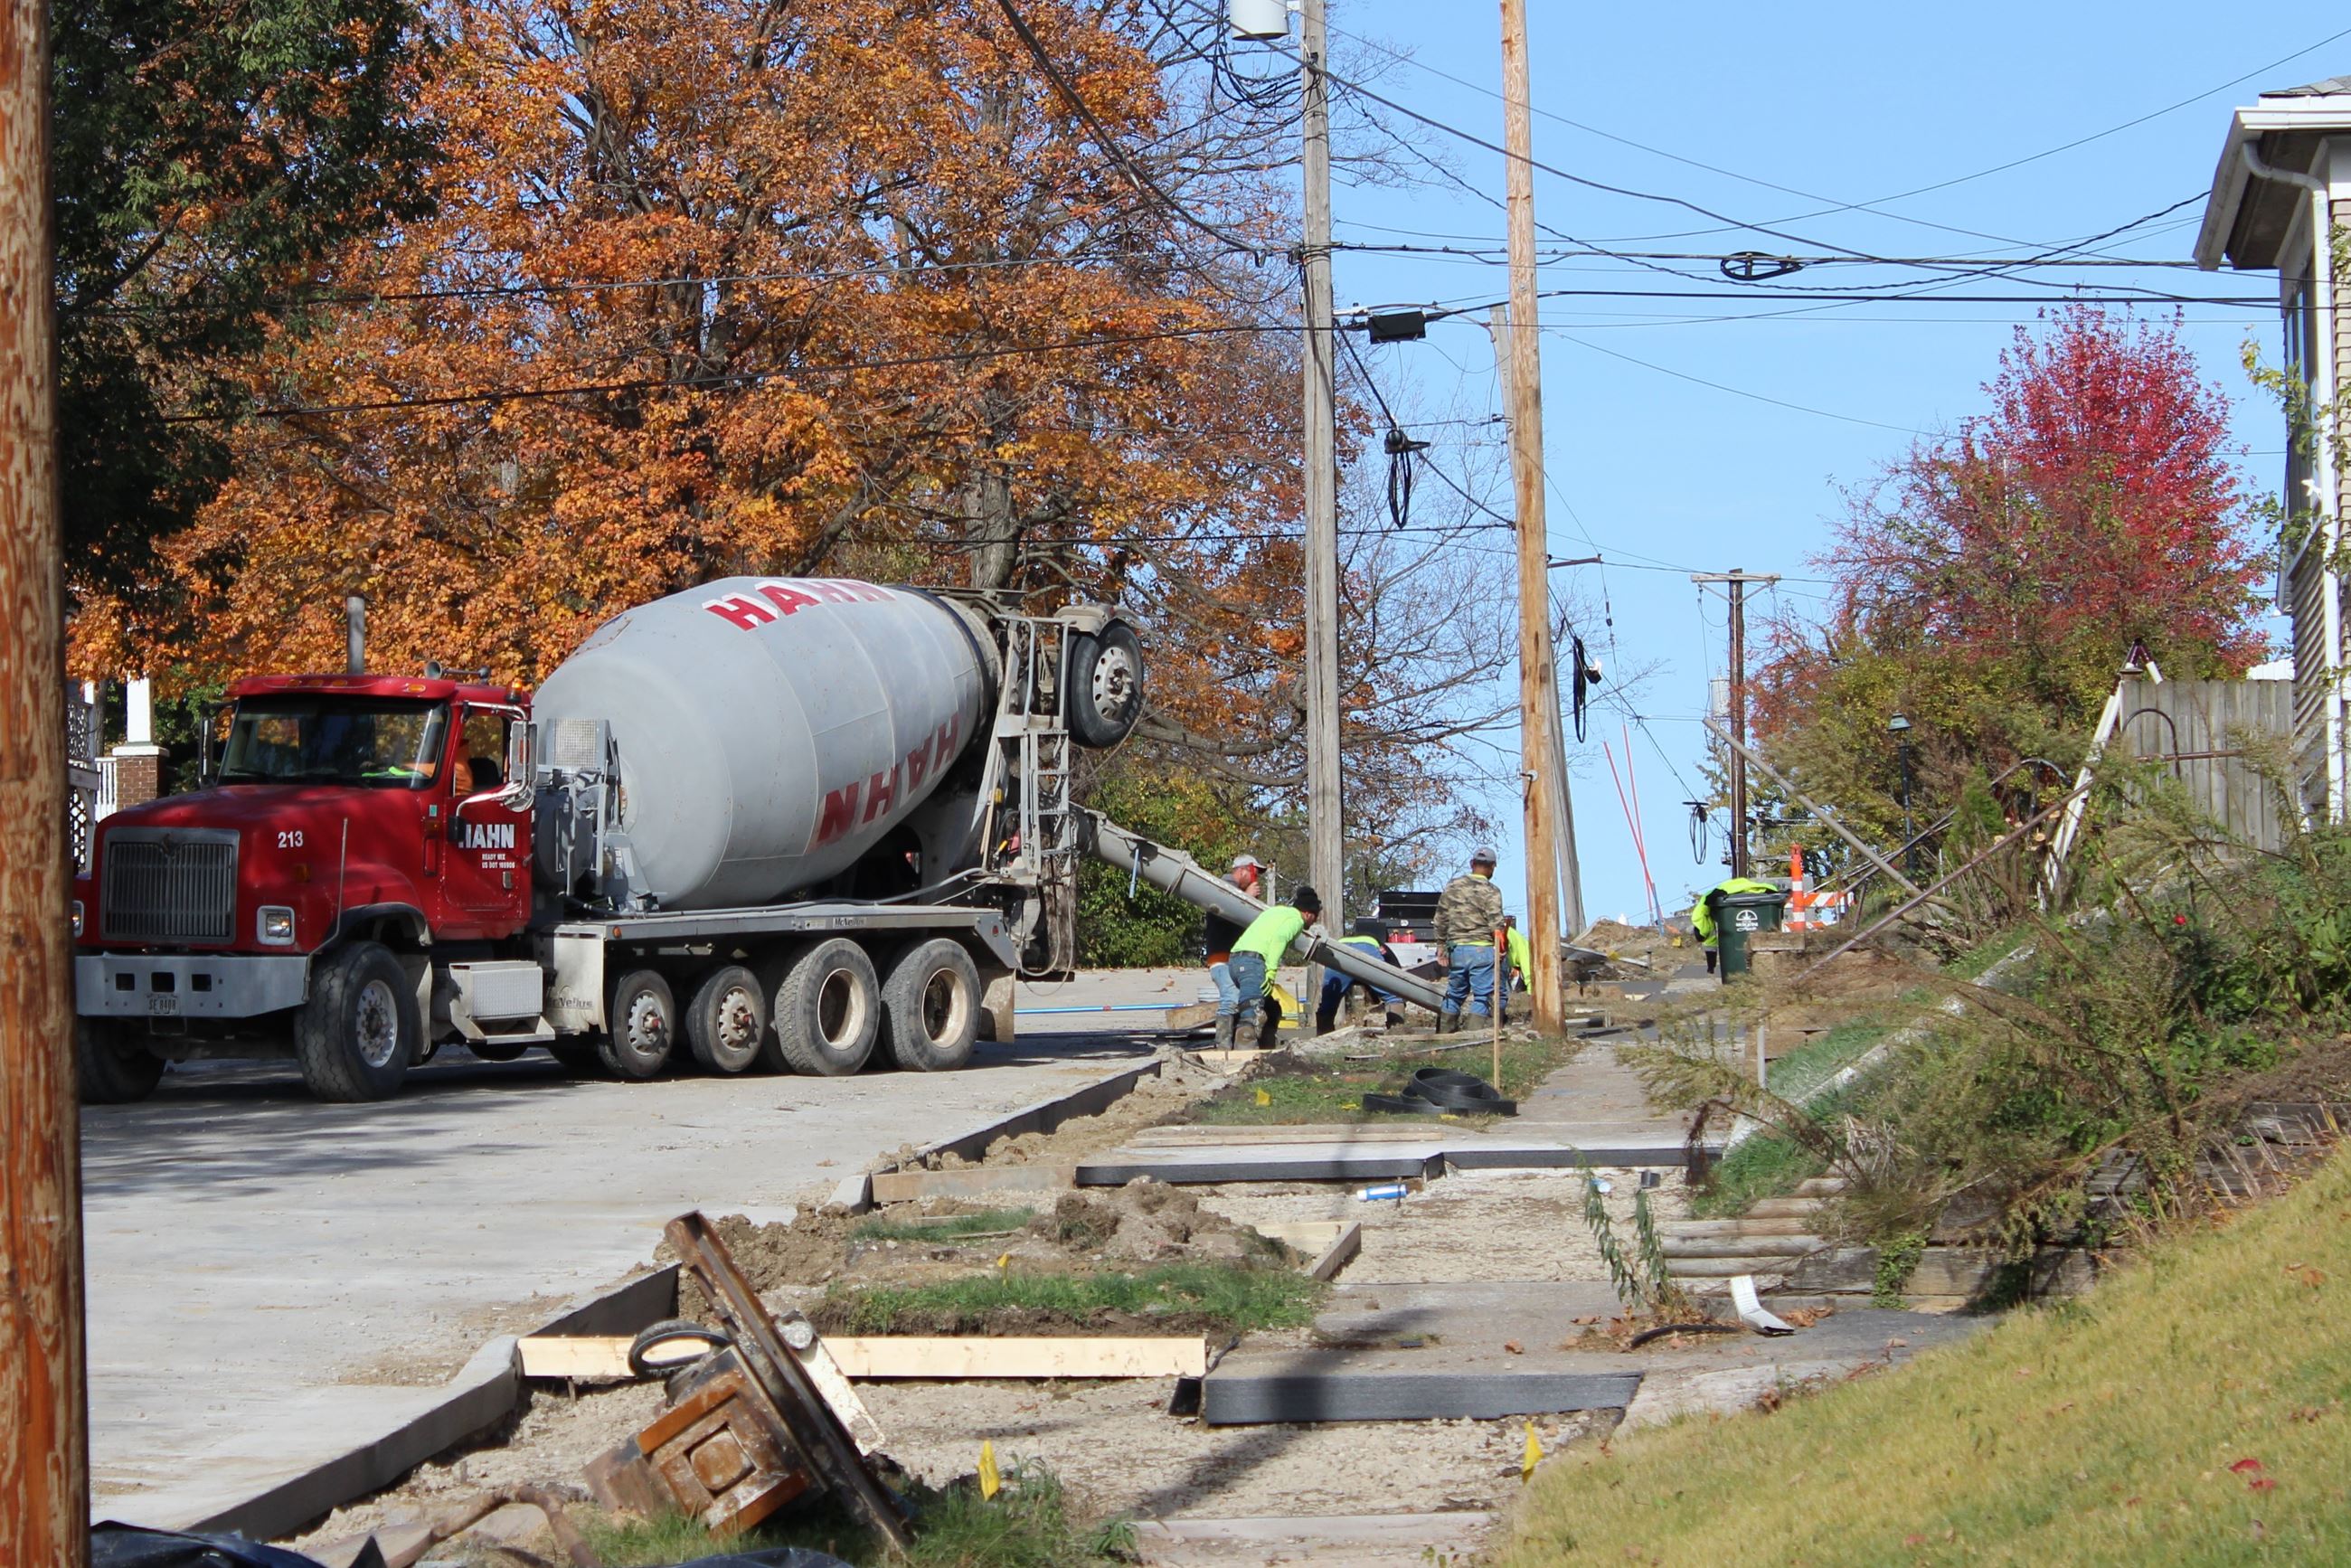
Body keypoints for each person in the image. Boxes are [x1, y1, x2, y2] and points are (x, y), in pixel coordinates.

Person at [1228, 885, 1322, 1050]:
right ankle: (1244, 1061)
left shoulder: (1277, 912)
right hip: (1252, 962)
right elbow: (1280, 938)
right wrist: (1271, 971)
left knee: (1271, 1009)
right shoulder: (1296, 920)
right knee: (1251, 1015)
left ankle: (1266, 1052)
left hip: (1236, 961)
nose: (1315, 921)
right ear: (1308, 913)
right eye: (1315, 917)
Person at [1434, 847, 1506, 1032]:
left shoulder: (1453, 886)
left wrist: (1441, 945)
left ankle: (1444, 1036)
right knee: (1482, 996)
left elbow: (1441, 918)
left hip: (1457, 949)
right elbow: (1496, 925)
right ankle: (1472, 1038)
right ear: (1493, 867)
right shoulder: (1492, 891)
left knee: (1454, 994)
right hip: (1482, 949)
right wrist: (1500, 949)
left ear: (1472, 864)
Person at [1202, 854, 1265, 1049]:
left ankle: (1232, 1045)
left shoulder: (1236, 891)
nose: (1256, 879)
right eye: (1254, 873)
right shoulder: (1224, 888)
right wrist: (1246, 898)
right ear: (1243, 870)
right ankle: (1222, 1047)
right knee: (1230, 999)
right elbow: (1224, 913)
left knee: (1240, 998)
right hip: (1222, 958)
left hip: (1233, 959)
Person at [1317, 916, 1404, 1034]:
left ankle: (1323, 1037)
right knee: (1394, 996)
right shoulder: (1380, 944)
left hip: (1339, 950)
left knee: (1328, 1003)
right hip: (1366, 949)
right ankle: (1396, 1032)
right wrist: (1401, 996)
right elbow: (1398, 974)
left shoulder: (1346, 939)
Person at [1689, 874, 1776, 975]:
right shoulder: (1704, 918)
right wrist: (1711, 966)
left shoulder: (1701, 917)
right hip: (1737, 891)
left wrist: (1711, 966)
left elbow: (1708, 940)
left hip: (1729, 891)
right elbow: (1710, 943)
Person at [1501, 913, 1532, 995]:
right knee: (1503, 993)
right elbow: (1527, 968)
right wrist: (1531, 990)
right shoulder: (1524, 946)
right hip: (1500, 952)